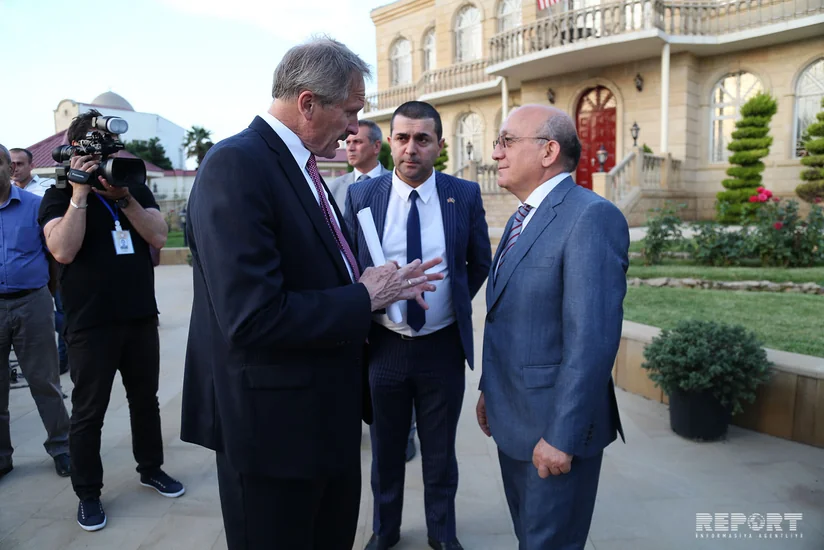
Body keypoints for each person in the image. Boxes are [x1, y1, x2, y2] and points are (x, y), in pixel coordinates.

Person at [179, 37, 444, 550]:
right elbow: (252, 316)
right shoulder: (237, 164)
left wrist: (381, 284)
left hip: (323, 423)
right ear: (307, 104)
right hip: (274, 436)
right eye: (349, 112)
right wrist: (362, 297)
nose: (353, 128)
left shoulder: (301, 166)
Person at [476, 105, 628, 549]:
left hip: (555, 433)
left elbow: (592, 340)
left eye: (506, 141)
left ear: (548, 151)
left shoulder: (590, 217)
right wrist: (490, 389)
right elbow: (510, 317)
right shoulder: (522, 217)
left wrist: (561, 436)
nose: (496, 153)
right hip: (513, 421)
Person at [345, 101, 491, 550]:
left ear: (439, 145)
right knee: (386, 450)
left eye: (423, 139)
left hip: (441, 347)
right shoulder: (361, 196)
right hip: (384, 346)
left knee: (440, 453)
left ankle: (441, 535)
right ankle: (384, 531)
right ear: (389, 141)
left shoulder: (463, 195)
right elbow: (350, 267)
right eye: (403, 138)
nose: (412, 149)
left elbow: (479, 262)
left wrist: (446, 304)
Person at [38, 110, 183, 532]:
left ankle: (151, 468)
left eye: (112, 150)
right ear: (80, 152)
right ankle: (88, 494)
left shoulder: (132, 187)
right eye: (101, 151)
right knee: (89, 412)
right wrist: (80, 195)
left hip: (138, 315)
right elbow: (62, 251)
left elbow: (157, 235)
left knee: (145, 400)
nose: (111, 157)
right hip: (89, 323)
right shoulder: (57, 194)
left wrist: (124, 197)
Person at [0, 143, 71, 481]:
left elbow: (54, 256)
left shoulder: (34, 205)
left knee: (44, 381)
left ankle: (62, 448)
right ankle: (2, 456)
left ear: (8, 167)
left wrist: (44, 293)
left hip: (32, 302)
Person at [10, 148, 67, 374]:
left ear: (31, 165)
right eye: (11, 164)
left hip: (52, 258)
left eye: (20, 163)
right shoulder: (6, 192)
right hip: (26, 262)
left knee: (61, 311)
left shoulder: (46, 189)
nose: (15, 168)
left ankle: (64, 358)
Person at [328, 119, 390, 214]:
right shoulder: (334, 188)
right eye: (348, 142)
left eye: (357, 142)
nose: (350, 148)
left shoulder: (396, 184)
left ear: (376, 146)